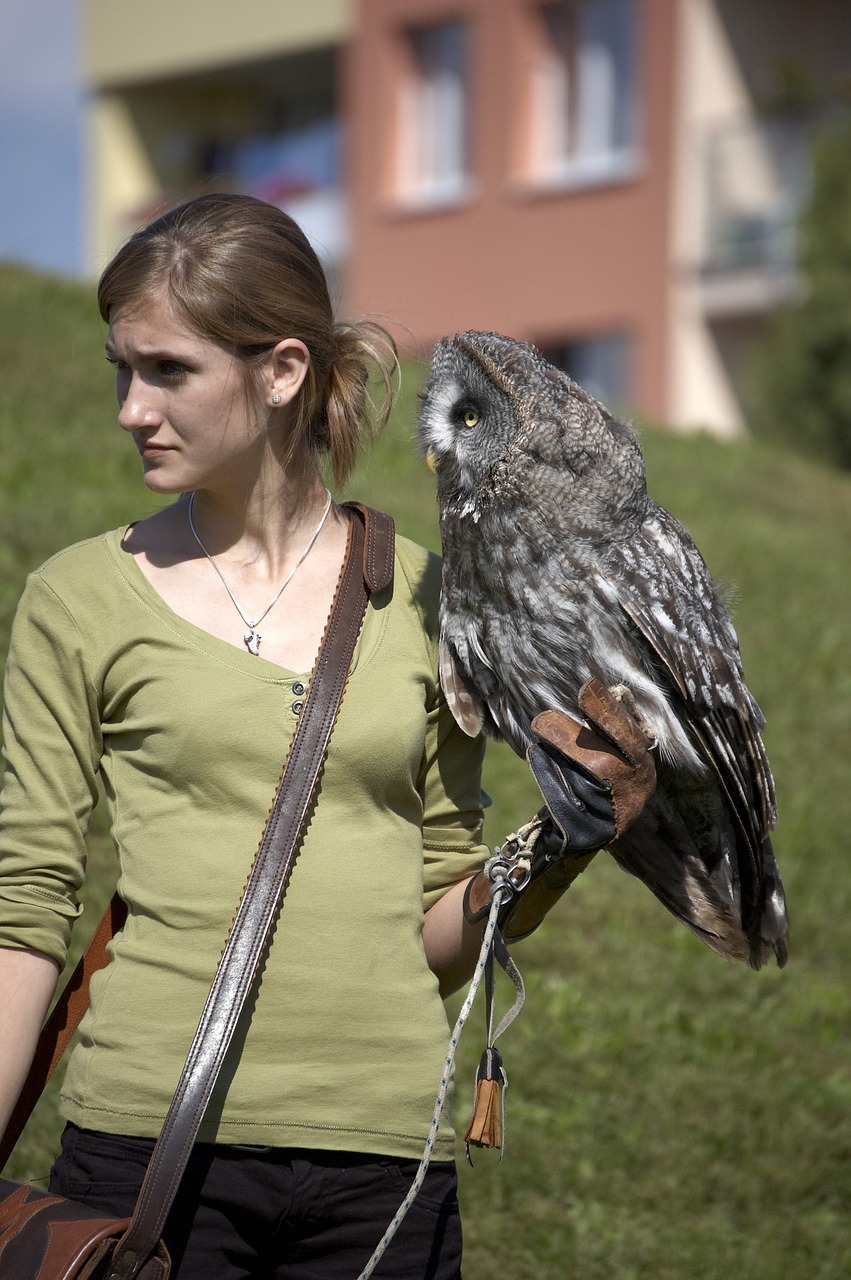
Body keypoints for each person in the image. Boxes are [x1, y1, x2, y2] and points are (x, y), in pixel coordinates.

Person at [0, 193, 654, 1278]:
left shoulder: (434, 606)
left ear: (283, 369)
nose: (129, 406)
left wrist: (560, 845)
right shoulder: (80, 597)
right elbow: (21, 909)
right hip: (148, 1155)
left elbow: (432, 925)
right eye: (123, 368)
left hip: (383, 1172)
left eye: (167, 370)